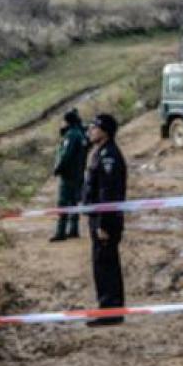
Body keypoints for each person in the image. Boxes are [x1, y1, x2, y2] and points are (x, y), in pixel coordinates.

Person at [81, 113, 127, 326]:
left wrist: (102, 224)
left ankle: (110, 311)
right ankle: (109, 309)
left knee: (106, 265)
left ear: (105, 131)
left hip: (105, 221)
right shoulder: (99, 152)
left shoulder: (109, 157)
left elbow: (108, 194)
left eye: (94, 128)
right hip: (99, 218)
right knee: (102, 265)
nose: (90, 131)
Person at [50, 108, 88, 242]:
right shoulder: (82, 134)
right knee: (74, 202)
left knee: (63, 202)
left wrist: (58, 168)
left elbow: (66, 155)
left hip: (69, 175)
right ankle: (73, 229)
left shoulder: (71, 135)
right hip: (79, 173)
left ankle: (61, 231)